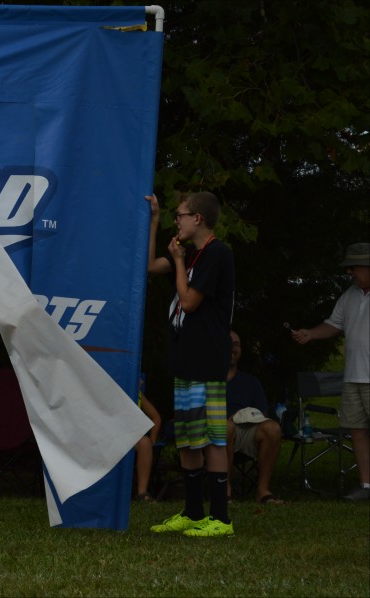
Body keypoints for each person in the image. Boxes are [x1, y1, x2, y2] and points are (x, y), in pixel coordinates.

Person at [144, 192, 236, 537]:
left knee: (212, 438)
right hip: (185, 358)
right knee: (188, 437)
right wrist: (154, 222)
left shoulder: (215, 253)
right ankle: (194, 512)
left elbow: (189, 301)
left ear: (198, 218)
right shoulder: (191, 253)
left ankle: (221, 518)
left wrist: (180, 262)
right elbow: (150, 267)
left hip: (207, 358)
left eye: (180, 215)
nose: (176, 221)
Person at [291, 242, 370, 501]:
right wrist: (311, 334)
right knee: (356, 430)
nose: (349, 272)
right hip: (353, 377)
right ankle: (366, 486)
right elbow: (333, 325)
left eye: (353, 267)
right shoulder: (349, 296)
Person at [225, 330, 283, 504]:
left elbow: (263, 415)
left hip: (245, 430)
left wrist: (245, 415)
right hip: (215, 431)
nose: (232, 349)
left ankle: (263, 491)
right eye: (228, 344)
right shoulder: (207, 380)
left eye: (236, 345)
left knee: (272, 428)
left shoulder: (250, 382)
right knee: (225, 427)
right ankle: (225, 491)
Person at [134, 383, 162, 501]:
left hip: (132, 437)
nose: (141, 380)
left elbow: (155, 417)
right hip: (111, 434)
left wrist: (153, 440)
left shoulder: (137, 393)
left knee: (145, 443)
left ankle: (142, 492)